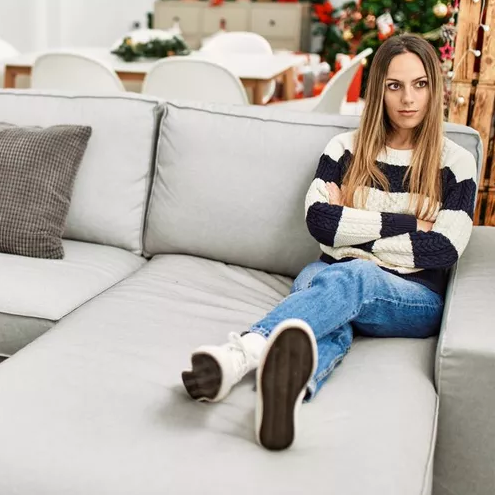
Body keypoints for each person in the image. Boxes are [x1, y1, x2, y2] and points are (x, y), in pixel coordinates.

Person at [182, 34, 477, 452]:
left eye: (420, 84)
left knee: (351, 275)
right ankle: (289, 393)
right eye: (394, 85)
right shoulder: (343, 149)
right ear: (378, 91)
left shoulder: (456, 163)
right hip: (329, 272)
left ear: (435, 88)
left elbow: (444, 249)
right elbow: (321, 223)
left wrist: (351, 229)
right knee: (326, 304)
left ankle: (242, 355)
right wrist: (410, 223)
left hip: (414, 296)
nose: (408, 98)